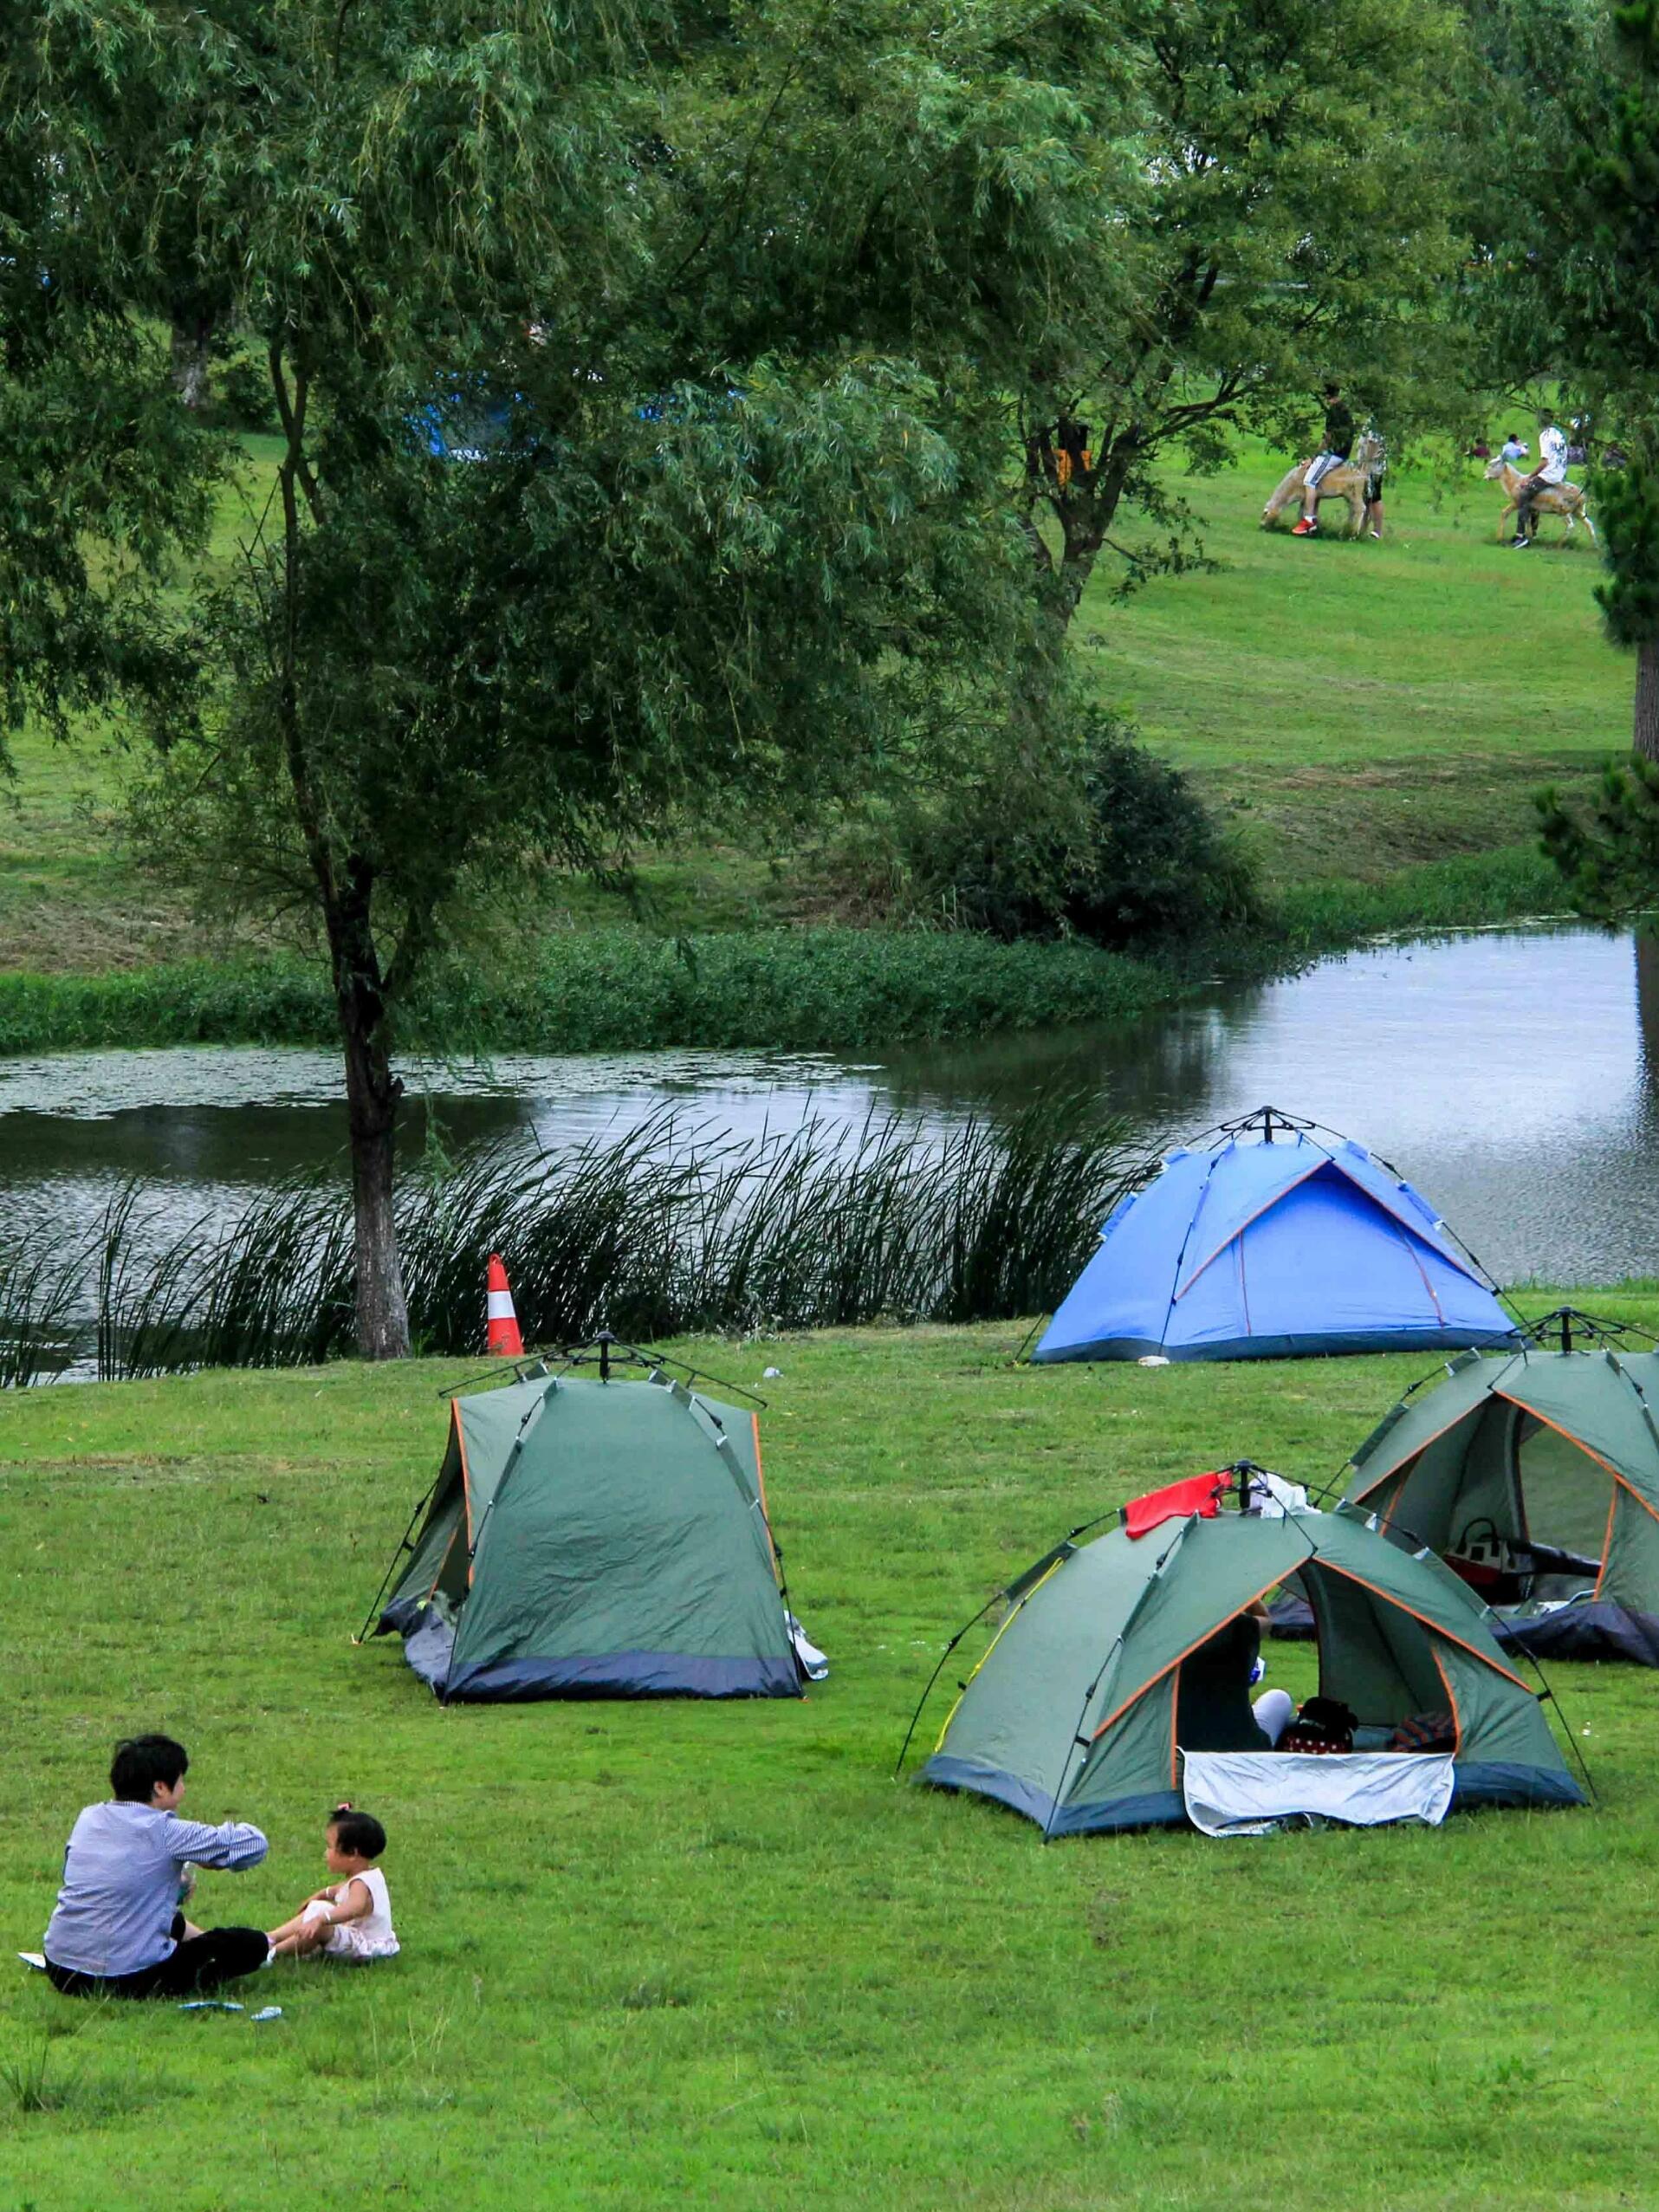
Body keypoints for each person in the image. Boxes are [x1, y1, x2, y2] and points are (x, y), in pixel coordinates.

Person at [42, 1735, 269, 1998]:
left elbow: (101, 1880)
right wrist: (208, 1859)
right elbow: (254, 1844)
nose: (184, 1789)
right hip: (128, 1979)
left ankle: (190, 1941)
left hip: (61, 1970)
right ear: (161, 1787)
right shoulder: (167, 1831)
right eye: (181, 1780)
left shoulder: (89, 1818)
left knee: (158, 1915)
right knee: (250, 1944)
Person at [265, 1804, 399, 1964]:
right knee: (318, 1910)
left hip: (365, 1948)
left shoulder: (360, 1884)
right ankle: (270, 1939)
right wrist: (322, 1894)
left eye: (330, 1847)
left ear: (352, 1854)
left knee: (319, 1920)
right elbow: (339, 1890)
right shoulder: (368, 1875)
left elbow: (354, 1908)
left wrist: (321, 1919)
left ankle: (272, 1952)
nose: (326, 1853)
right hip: (364, 1941)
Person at [1176, 1601, 1294, 1751]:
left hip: (1178, 1750)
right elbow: (1266, 1620)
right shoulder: (1240, 1628)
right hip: (1242, 1750)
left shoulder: (1166, 1634)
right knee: (1279, 1698)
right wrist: (1250, 1598)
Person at [1291, 382, 1355, 536]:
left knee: (1310, 480)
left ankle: (1309, 519)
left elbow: (1328, 438)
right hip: (1344, 452)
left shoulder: (1333, 412)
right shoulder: (1345, 410)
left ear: (1327, 396)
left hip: (1334, 453)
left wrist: (1313, 457)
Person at [1511, 409, 1568, 548]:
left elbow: (1544, 462)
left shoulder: (1545, 436)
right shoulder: (1560, 433)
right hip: (1560, 472)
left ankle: (1521, 536)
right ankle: (1532, 531)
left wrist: (1529, 477)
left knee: (1523, 494)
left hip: (1549, 475)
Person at [1361, 415, 1388, 540]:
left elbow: (1373, 443)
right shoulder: (1375, 419)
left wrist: (1366, 463)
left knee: (1374, 497)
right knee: (1367, 498)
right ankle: (1362, 529)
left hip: (1372, 468)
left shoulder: (1375, 421)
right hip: (1374, 466)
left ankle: (1377, 530)